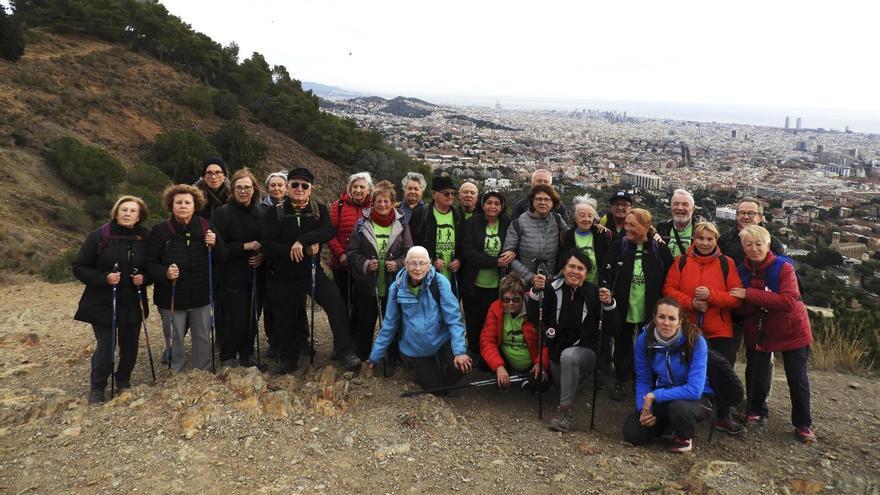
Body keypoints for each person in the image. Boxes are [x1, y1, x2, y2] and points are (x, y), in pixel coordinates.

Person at [260, 167, 361, 373]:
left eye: (304, 185)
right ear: (287, 187)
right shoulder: (274, 212)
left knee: (335, 303)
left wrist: (302, 241)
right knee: (285, 315)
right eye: (294, 184)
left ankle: (345, 351)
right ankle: (289, 358)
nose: (299, 188)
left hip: (311, 271)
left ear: (311, 189)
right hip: (283, 274)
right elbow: (267, 245)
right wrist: (297, 248)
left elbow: (328, 230)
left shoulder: (318, 209)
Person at [730, 225, 816, 443]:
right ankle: (756, 410)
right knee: (756, 373)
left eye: (759, 244)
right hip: (760, 330)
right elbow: (738, 306)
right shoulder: (741, 270)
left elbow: (788, 301)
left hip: (791, 329)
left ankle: (803, 423)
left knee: (797, 378)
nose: (754, 249)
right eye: (748, 244)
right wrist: (761, 300)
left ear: (768, 245)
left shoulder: (783, 267)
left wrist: (750, 294)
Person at [662, 221, 745, 435]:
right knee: (682, 371)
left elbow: (736, 297)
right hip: (687, 327)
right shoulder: (681, 262)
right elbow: (669, 289)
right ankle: (678, 415)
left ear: (716, 240)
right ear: (694, 240)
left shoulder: (726, 263)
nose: (705, 243)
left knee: (722, 372)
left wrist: (711, 296)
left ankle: (722, 416)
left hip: (718, 329)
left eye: (710, 239)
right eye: (701, 238)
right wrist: (691, 303)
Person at [528, 251, 618, 432]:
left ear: (587, 273)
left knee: (569, 358)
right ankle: (574, 388)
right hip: (556, 352)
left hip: (585, 351)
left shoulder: (594, 293)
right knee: (564, 374)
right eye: (572, 266)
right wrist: (536, 292)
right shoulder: (551, 289)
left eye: (581, 268)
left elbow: (613, 329)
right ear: (563, 268)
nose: (575, 272)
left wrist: (609, 305)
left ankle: (564, 414)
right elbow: (534, 318)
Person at [73, 196, 152, 404]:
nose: (127, 214)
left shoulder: (145, 237)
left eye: (132, 211)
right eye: (123, 210)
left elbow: (152, 266)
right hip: (102, 300)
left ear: (139, 216)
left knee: (130, 345)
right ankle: (98, 386)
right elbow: (79, 266)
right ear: (116, 212)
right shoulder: (100, 235)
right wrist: (103, 278)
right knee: (106, 346)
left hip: (133, 300)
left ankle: (123, 379)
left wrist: (145, 278)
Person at [367, 246, 472, 393]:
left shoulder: (440, 283)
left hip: (442, 340)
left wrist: (460, 351)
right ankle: (435, 380)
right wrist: (374, 357)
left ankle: (443, 374)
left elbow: (454, 320)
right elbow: (389, 325)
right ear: (406, 264)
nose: (417, 268)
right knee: (437, 389)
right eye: (413, 263)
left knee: (464, 366)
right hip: (417, 347)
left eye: (422, 263)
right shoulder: (396, 288)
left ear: (429, 264)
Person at [145, 184, 224, 372]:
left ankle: (202, 372)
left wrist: (216, 243)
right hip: (170, 294)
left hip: (201, 292)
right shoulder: (161, 230)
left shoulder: (206, 226)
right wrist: (165, 273)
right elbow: (149, 263)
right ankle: (177, 371)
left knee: (203, 335)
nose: (183, 206)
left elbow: (222, 257)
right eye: (178, 202)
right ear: (171, 206)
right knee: (175, 335)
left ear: (195, 205)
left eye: (187, 202)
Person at [622, 298, 714, 453]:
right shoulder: (644, 340)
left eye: (672, 318)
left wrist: (655, 395)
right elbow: (643, 379)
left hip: (698, 397)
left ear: (680, 322)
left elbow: (695, 389)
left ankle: (684, 436)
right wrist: (644, 409)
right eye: (661, 317)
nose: (666, 323)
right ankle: (666, 425)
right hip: (664, 391)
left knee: (679, 408)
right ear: (654, 318)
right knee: (632, 433)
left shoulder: (695, 340)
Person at [606, 208, 673, 401]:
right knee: (622, 342)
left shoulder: (658, 249)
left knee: (649, 344)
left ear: (645, 227)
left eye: (632, 225)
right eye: (626, 224)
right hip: (624, 303)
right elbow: (607, 270)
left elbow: (670, 275)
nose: (626, 228)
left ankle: (644, 381)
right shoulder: (620, 246)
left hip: (650, 306)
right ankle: (621, 378)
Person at [346, 181, 413, 362]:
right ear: (373, 203)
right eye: (379, 201)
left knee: (392, 322)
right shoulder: (362, 224)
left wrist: (398, 264)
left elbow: (409, 252)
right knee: (366, 322)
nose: (382, 205)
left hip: (393, 283)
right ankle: (363, 355)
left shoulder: (402, 224)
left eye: (386, 201)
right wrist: (367, 264)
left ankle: (393, 356)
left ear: (393, 203)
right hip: (368, 283)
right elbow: (351, 252)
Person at [211, 168, 265, 368]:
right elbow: (218, 246)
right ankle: (228, 355)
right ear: (232, 190)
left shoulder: (263, 212)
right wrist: (245, 246)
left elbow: (269, 240)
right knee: (235, 317)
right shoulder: (222, 213)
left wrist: (262, 255)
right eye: (239, 187)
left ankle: (247, 353)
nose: (244, 191)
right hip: (231, 273)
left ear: (254, 189)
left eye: (247, 187)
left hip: (256, 272)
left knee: (253, 315)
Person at [460, 191, 511, 360]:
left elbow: (513, 246)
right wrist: (495, 262)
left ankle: (489, 353)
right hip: (473, 282)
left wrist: (511, 255)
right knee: (473, 320)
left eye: (497, 203)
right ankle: (474, 351)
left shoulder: (507, 224)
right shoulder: (471, 223)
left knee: (491, 321)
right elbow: (469, 252)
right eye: (489, 203)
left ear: (502, 207)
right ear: (482, 205)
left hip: (497, 284)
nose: (493, 206)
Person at [480, 274, 549, 391]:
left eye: (516, 299)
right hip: (506, 358)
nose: (510, 303)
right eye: (506, 300)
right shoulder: (495, 308)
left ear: (523, 298)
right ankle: (507, 373)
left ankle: (526, 379)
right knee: (484, 362)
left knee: (541, 385)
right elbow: (487, 340)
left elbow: (547, 342)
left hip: (532, 360)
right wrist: (499, 366)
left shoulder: (536, 309)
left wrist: (541, 363)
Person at [328, 172, 374, 347]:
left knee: (361, 304)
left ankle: (356, 340)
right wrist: (340, 254)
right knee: (342, 305)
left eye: (362, 186)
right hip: (342, 264)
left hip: (363, 265)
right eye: (355, 186)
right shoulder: (338, 206)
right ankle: (341, 342)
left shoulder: (374, 207)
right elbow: (330, 233)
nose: (358, 190)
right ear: (349, 188)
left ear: (369, 189)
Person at [501, 184, 567, 290]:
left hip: (551, 281)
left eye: (547, 199)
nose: (543, 202)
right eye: (539, 199)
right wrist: (531, 277)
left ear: (552, 202)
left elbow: (572, 237)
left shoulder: (557, 220)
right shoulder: (518, 223)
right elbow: (508, 257)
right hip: (523, 283)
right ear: (532, 201)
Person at [258, 170, 290, 358]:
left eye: (280, 185)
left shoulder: (295, 207)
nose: (277, 188)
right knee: (269, 304)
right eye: (273, 185)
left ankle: (298, 339)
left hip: (288, 262)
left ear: (286, 187)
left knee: (294, 303)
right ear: (267, 187)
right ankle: (274, 341)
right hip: (268, 263)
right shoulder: (261, 208)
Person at [409, 175, 463, 285]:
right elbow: (413, 244)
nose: (450, 196)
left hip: (453, 276)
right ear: (434, 194)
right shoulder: (420, 214)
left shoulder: (458, 215)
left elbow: (464, 242)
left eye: (453, 193)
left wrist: (459, 260)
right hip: (427, 275)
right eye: (446, 193)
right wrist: (431, 261)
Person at [559, 195, 612, 287]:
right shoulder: (568, 236)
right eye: (582, 215)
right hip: (574, 285)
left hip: (596, 286)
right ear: (575, 217)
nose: (586, 219)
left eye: (590, 216)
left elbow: (607, 260)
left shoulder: (601, 234)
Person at [717, 198, 785, 266]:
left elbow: (783, 267)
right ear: (737, 216)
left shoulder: (772, 243)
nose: (746, 217)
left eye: (751, 213)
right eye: (742, 213)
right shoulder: (725, 239)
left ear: (760, 217)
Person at [656, 189, 702, 259]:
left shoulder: (701, 230)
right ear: (671, 207)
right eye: (676, 204)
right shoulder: (661, 228)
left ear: (693, 209)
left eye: (685, 204)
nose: (680, 208)